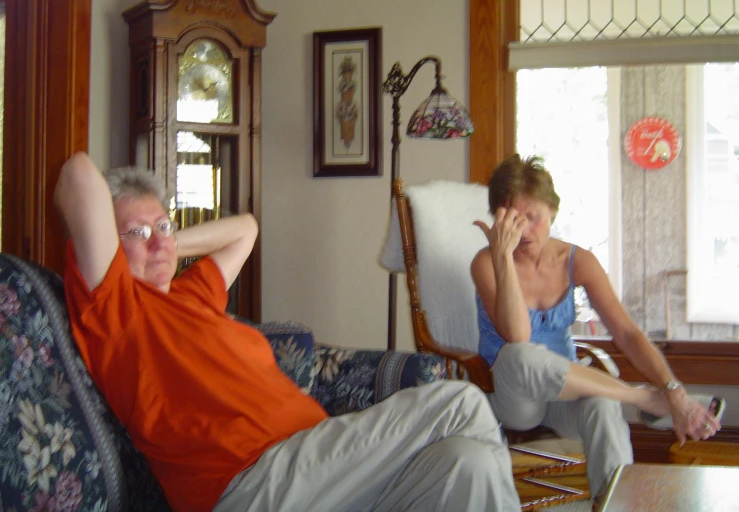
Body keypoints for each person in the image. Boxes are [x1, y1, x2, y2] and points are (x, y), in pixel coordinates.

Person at [54, 152, 520, 512]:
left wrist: (167, 245)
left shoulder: (191, 295)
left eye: (164, 225)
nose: (157, 240)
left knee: (469, 463)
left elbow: (246, 230)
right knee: (462, 401)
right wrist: (139, 250)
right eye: (136, 232)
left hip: (324, 475)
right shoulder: (114, 308)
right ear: (107, 246)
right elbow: (77, 173)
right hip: (257, 483)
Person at [471, 153, 724, 501]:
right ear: (499, 220)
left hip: (566, 394)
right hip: (516, 401)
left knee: (604, 407)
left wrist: (671, 386)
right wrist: (502, 257)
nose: (526, 230)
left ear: (553, 212)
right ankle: (643, 399)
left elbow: (628, 333)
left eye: (534, 217)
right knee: (518, 354)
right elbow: (517, 335)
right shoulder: (486, 263)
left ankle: (615, 505)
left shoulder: (578, 261)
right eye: (515, 219)